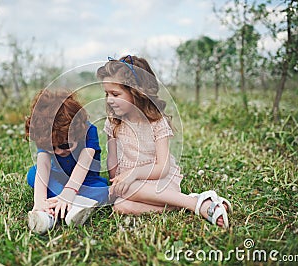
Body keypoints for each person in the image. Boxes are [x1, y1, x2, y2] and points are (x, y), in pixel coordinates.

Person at [97, 55, 232, 228]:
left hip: (159, 181)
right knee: (121, 206)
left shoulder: (156, 122)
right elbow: (112, 158)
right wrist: (115, 181)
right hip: (130, 183)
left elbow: (162, 168)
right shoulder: (114, 121)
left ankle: (197, 206)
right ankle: (193, 201)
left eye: (115, 94)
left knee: (130, 190)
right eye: (106, 94)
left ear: (137, 92)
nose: (109, 99)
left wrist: (134, 174)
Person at [25, 89, 109, 233]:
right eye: (51, 148)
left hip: (85, 181)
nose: (58, 152)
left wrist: (69, 193)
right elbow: (43, 165)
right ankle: (49, 211)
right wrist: (39, 201)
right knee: (33, 174)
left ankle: (68, 206)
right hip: (58, 178)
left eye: (65, 145)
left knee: (103, 191)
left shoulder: (89, 131)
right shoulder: (46, 133)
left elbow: (83, 163)